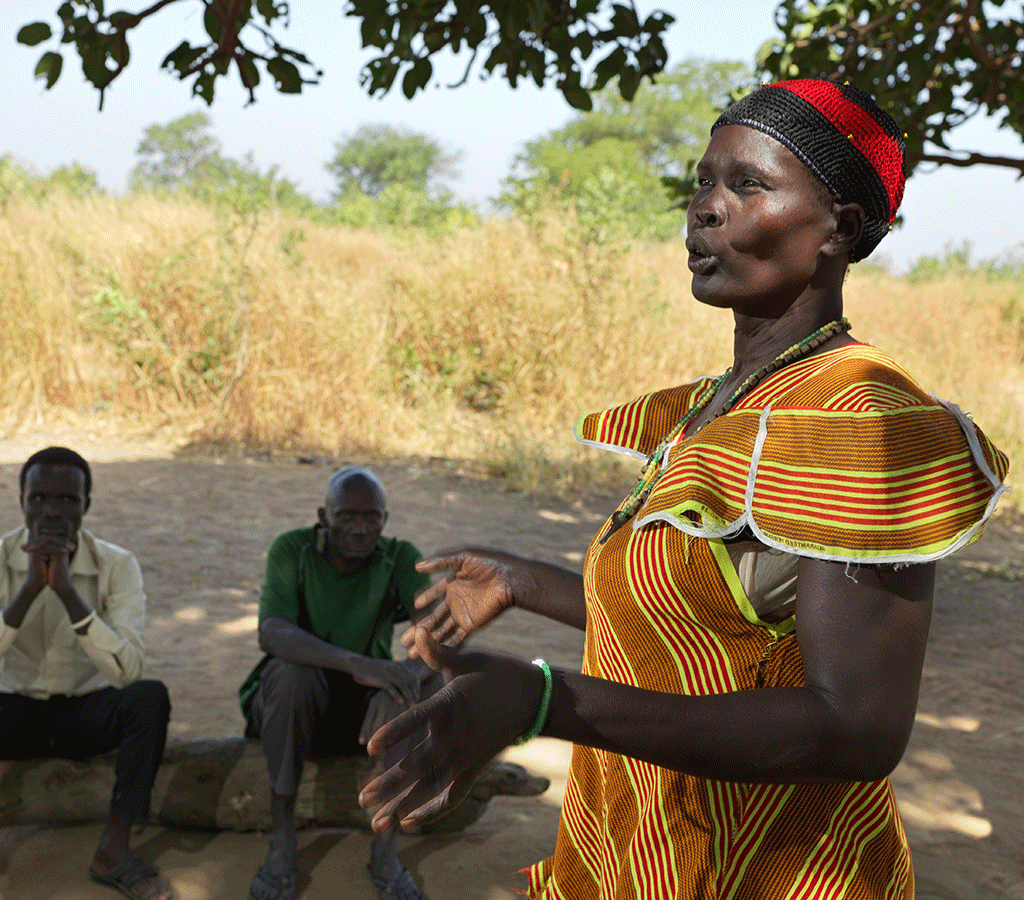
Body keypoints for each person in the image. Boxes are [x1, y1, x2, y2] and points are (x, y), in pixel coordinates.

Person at [357, 80, 1011, 898]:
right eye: (703, 182)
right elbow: (699, 627)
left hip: (772, 872)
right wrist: (525, 581)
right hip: (640, 851)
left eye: (748, 184)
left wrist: (550, 703)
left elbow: (856, 728)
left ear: (839, 228)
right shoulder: (714, 405)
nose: (705, 209)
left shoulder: (858, 422)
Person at [240, 465, 436, 900]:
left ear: (385, 520)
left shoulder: (399, 557)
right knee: (296, 673)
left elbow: (435, 637)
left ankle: (385, 851)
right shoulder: (292, 550)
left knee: (422, 686)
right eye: (347, 517)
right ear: (323, 516)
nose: (360, 529)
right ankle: (282, 837)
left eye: (372, 518)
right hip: (287, 702)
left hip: (361, 707)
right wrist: (359, 664)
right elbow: (271, 632)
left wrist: (398, 682)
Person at [0, 446, 175, 900]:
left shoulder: (118, 564)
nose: (52, 512)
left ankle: (114, 850)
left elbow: (129, 671)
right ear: (21, 501)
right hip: (13, 714)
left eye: (67, 500)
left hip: (86, 713)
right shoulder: (0, 558)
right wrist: (29, 591)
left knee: (149, 698)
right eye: (38, 499)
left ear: (86, 506)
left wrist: (68, 594)